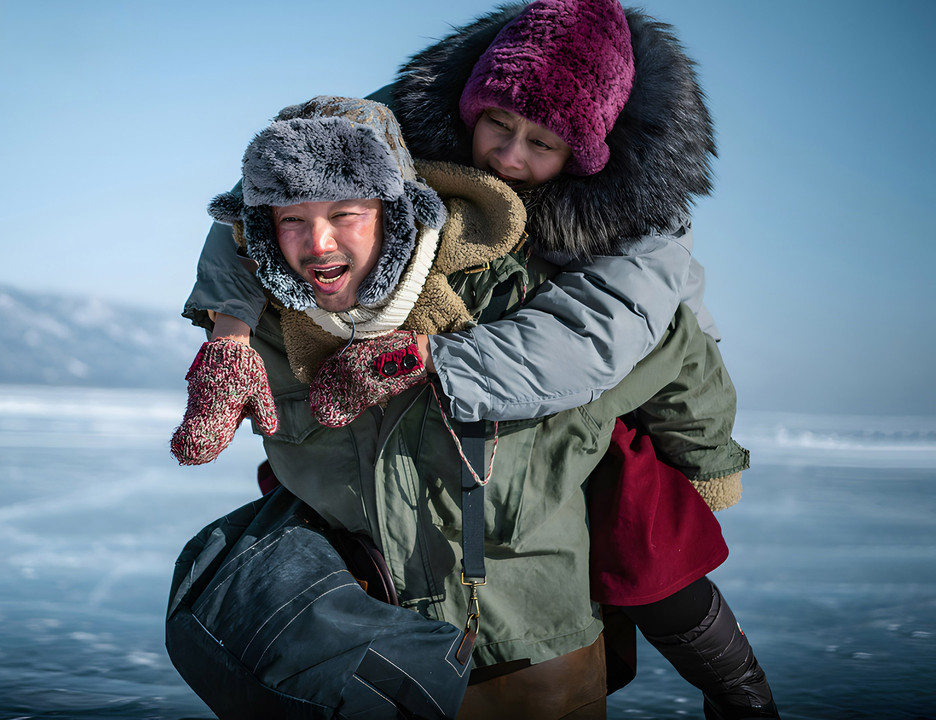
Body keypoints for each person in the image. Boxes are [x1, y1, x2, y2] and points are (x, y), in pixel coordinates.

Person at [177, 2, 779, 718]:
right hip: (426, 454)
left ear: (593, 154)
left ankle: (739, 689)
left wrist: (420, 359)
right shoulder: (400, 132)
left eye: (543, 143)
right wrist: (231, 330)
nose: (510, 156)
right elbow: (273, 194)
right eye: (497, 125)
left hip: (573, 368)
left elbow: (600, 341)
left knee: (642, 519)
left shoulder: (637, 224)